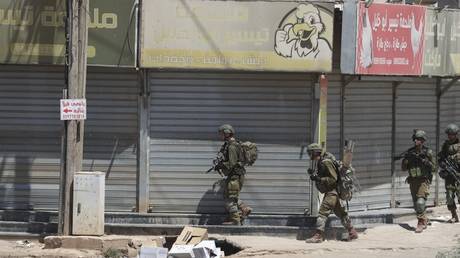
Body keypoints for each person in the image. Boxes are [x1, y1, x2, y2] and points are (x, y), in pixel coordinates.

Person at [305, 143, 358, 243]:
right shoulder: (321, 161)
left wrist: (319, 179)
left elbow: (333, 179)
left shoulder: (326, 162)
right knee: (341, 213)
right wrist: (314, 174)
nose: (309, 155)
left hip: (332, 192)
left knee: (322, 212)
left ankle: (318, 235)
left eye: (310, 153)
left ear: (315, 152)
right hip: (334, 192)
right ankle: (352, 232)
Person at [216, 124, 252, 225]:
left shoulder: (232, 146)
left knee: (229, 199)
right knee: (232, 196)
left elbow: (231, 163)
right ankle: (244, 209)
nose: (221, 136)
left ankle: (235, 221)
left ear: (227, 133)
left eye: (222, 134)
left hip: (235, 176)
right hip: (236, 176)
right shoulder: (234, 144)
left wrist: (220, 165)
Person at [400, 129, 435, 233]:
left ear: (423, 140)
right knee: (416, 204)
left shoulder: (428, 152)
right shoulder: (410, 152)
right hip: (413, 181)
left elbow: (434, 168)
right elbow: (403, 168)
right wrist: (406, 161)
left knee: (420, 202)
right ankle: (424, 219)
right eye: (415, 139)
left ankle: (420, 223)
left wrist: (425, 161)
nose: (416, 141)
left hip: (423, 181)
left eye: (419, 139)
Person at [438, 124, 460, 223]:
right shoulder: (445, 145)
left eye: (452, 134)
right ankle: (454, 216)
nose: (450, 136)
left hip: (458, 174)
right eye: (449, 134)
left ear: (456, 134)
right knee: (449, 197)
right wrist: (442, 164)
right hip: (449, 175)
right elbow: (441, 157)